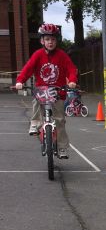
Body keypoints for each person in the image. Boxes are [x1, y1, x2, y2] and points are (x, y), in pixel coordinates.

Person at [15, 23, 78, 159]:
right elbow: (28, 69)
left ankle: (62, 148)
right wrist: (20, 81)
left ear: (57, 41)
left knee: (60, 121)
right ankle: (35, 124)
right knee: (37, 101)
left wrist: (72, 80)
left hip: (57, 93)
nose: (50, 42)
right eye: (47, 39)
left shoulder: (62, 55)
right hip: (42, 91)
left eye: (53, 39)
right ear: (42, 41)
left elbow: (71, 69)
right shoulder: (38, 55)